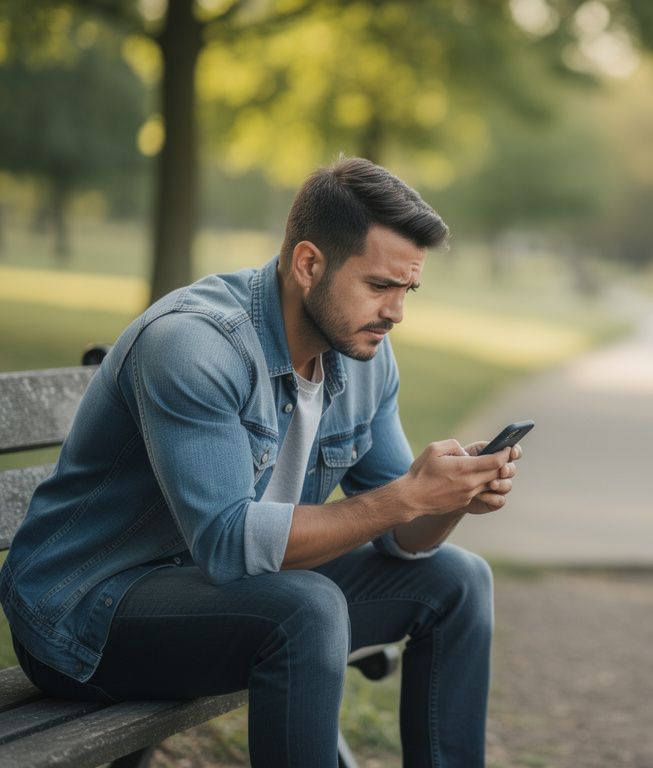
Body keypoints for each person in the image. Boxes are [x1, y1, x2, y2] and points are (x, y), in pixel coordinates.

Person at [0, 157, 519, 767]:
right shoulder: (195, 344)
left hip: (226, 595)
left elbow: (403, 539)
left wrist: (447, 498)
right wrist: (406, 495)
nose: (396, 312)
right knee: (306, 609)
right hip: (85, 612)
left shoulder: (366, 359)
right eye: (380, 286)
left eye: (409, 290)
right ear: (308, 264)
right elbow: (228, 542)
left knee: (459, 580)